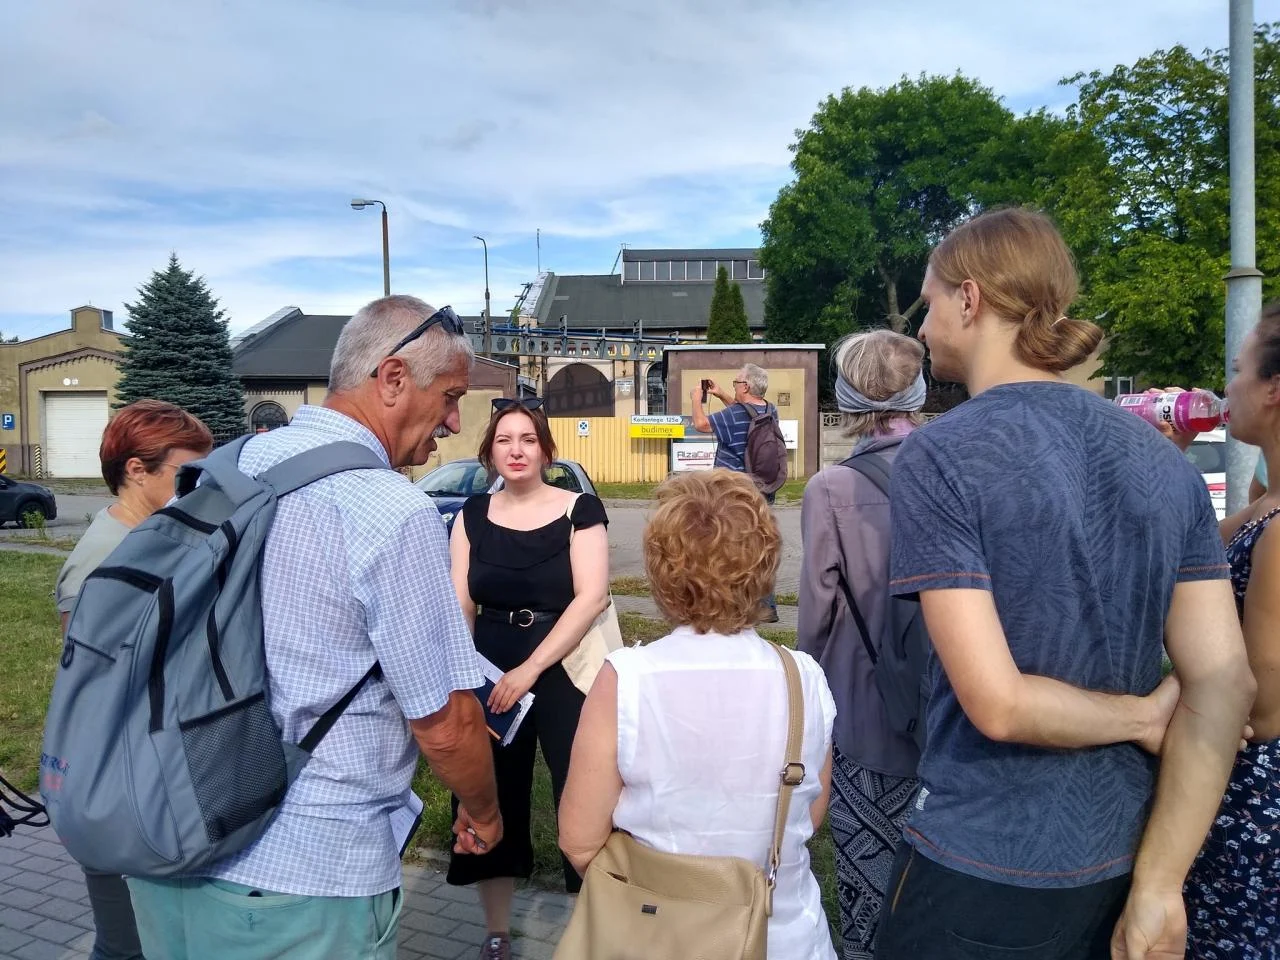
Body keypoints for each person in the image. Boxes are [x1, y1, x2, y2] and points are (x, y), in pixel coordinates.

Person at [874, 208, 1254, 960]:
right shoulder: (1164, 462)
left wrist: (1142, 718)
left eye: (929, 301)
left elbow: (1000, 704)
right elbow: (1223, 682)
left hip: (981, 858)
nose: (922, 327)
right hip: (1122, 859)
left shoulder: (938, 457)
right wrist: (1160, 887)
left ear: (970, 299)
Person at [125, 295, 503, 959]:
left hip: (172, 839)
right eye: (450, 397)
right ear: (392, 378)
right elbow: (446, 724)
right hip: (305, 880)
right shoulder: (393, 510)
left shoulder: (224, 469)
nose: (452, 421)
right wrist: (485, 813)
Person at [558, 469, 838, 960]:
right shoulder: (804, 677)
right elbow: (809, 815)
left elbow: (579, 842)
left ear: (660, 569)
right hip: (785, 935)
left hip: (655, 937)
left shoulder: (626, 679)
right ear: (765, 565)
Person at [446, 397, 610, 960]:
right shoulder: (471, 515)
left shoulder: (579, 510)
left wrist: (531, 669)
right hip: (491, 669)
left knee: (581, 797)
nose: (516, 450)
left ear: (545, 449)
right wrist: (467, 681)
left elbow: (591, 597)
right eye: (503, 440)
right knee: (492, 796)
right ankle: (497, 933)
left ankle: (592, 933)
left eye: (527, 439)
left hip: (564, 667)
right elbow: (461, 603)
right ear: (489, 451)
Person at [53, 399, 213, 960]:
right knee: (125, 945)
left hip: (153, 774)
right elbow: (92, 692)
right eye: (186, 474)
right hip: (118, 785)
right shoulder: (102, 559)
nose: (197, 488)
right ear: (137, 470)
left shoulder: (154, 536)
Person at [1155, 303, 1280, 959]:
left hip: (1252, 805)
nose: (1225, 387)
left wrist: (1157, 702)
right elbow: (1187, 549)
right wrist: (1166, 457)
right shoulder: (1267, 506)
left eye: (1237, 369)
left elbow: (1260, 707)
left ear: (1273, 388)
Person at [798, 330, 927, 960]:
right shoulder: (953, 466)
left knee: (868, 893)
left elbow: (818, 613)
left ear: (846, 397)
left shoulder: (831, 489)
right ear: (918, 391)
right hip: (959, 708)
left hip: (865, 709)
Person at [691, 362, 781, 621]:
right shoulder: (769, 410)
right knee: (759, 545)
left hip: (734, 492)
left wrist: (696, 399)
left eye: (736, 382)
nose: (735, 386)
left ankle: (727, 604)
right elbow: (744, 412)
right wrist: (721, 394)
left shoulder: (734, 415)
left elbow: (701, 424)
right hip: (762, 488)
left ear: (746, 386)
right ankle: (766, 605)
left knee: (728, 547)